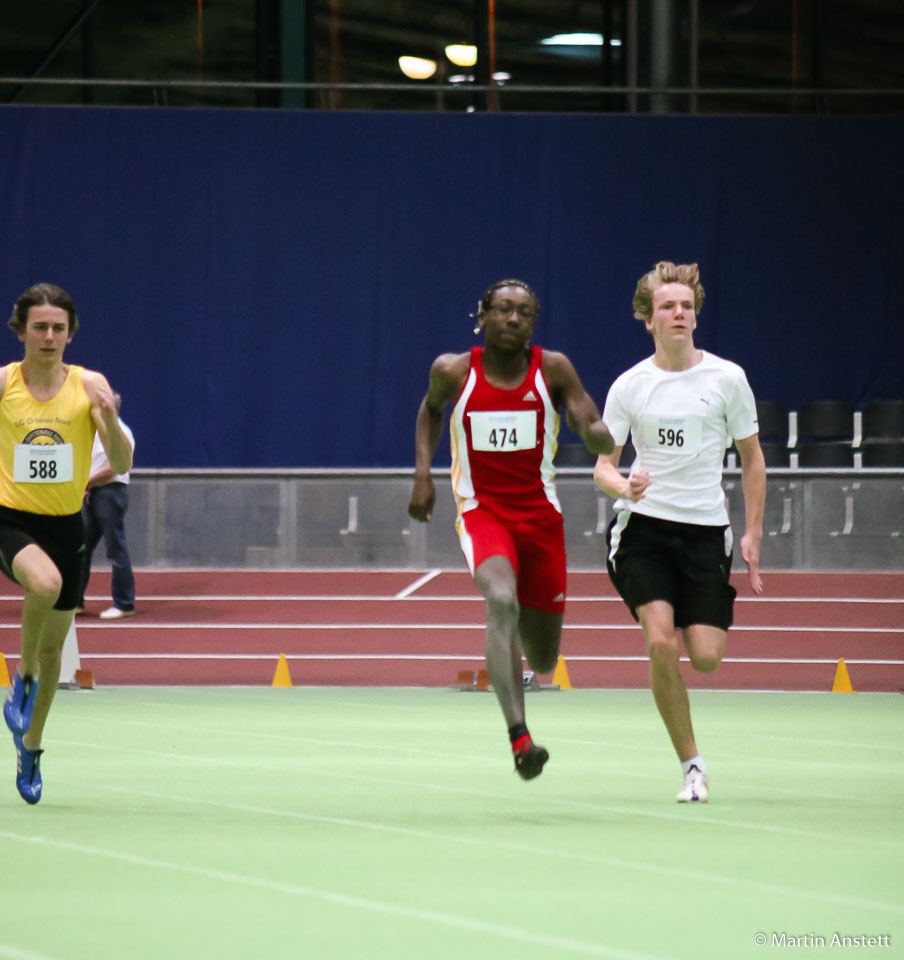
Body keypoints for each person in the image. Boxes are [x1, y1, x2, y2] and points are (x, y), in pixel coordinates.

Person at [408, 279, 613, 780]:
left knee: (543, 658)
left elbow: (586, 415)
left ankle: (514, 633)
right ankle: (520, 738)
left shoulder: (553, 369)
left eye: (524, 312)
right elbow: (430, 411)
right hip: (483, 513)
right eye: (503, 309)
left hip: (541, 520)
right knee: (500, 597)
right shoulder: (453, 371)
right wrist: (422, 474)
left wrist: (597, 434)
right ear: (482, 315)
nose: (514, 318)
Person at [593, 261, 765, 803]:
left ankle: (698, 632)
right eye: (668, 306)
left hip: (704, 533)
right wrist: (624, 489)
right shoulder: (630, 386)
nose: (679, 314)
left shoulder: (727, 379)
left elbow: (753, 460)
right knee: (661, 642)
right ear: (648, 319)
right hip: (643, 530)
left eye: (687, 306)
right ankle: (692, 766)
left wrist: (753, 532)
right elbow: (602, 467)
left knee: (707, 656)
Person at [0, 282, 132, 804]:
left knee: (58, 649)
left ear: (70, 334)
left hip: (65, 524)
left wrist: (111, 419)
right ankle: (22, 676)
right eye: (40, 327)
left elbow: (120, 464)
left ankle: (31, 745)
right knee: (45, 583)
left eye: (58, 328)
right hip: (10, 518)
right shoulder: (5, 384)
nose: (49, 336)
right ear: (21, 331)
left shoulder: (89, 384)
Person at [76, 391, 136, 619]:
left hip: (110, 493)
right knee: (81, 548)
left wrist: (89, 482)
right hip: (92, 493)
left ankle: (124, 603)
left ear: (114, 409)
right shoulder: (95, 431)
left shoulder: (121, 433)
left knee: (115, 548)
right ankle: (75, 601)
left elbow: (116, 467)